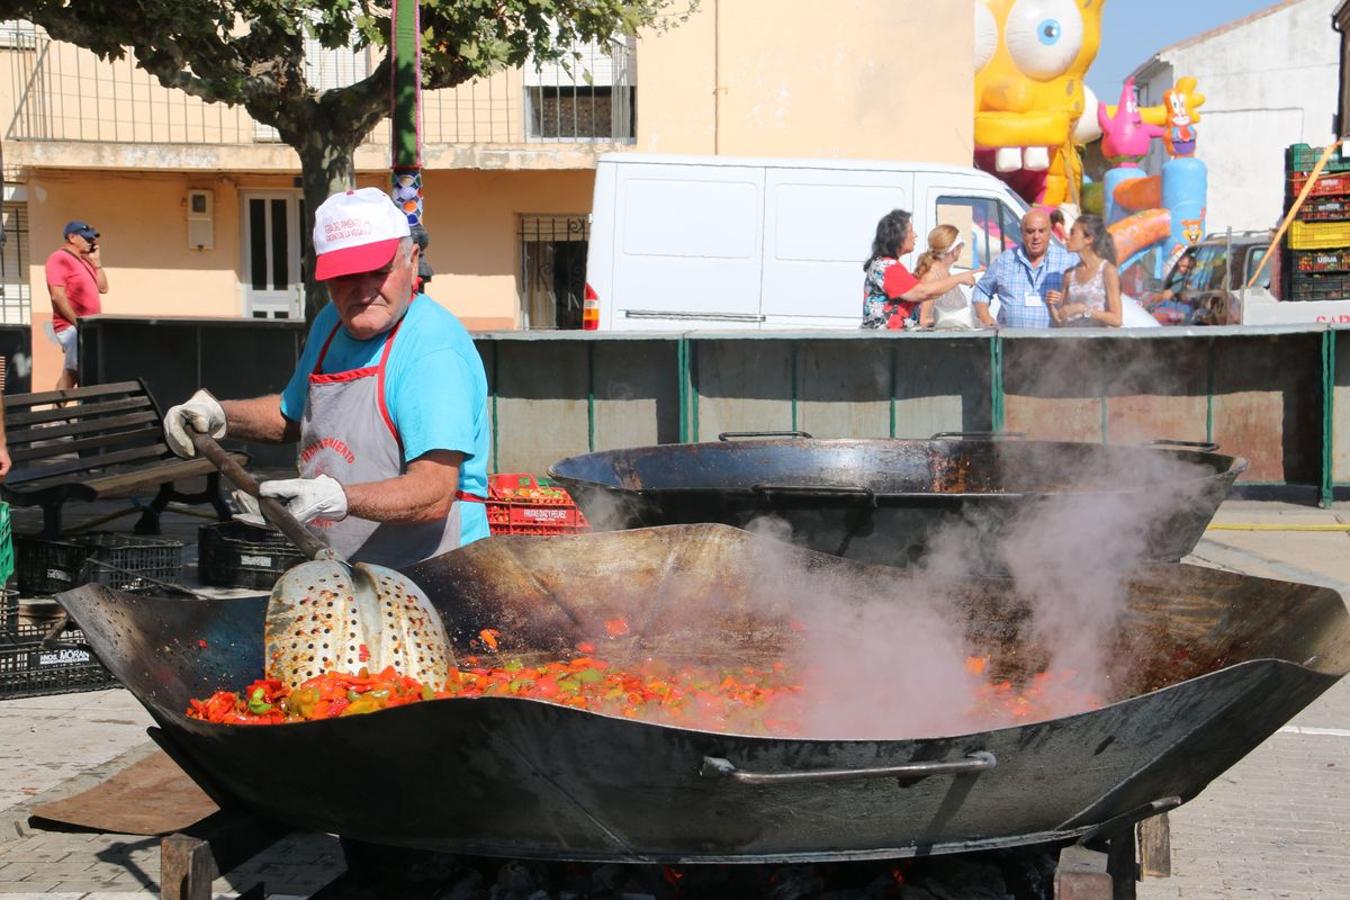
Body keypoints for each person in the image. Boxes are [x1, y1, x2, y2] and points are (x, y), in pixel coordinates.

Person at [163, 188, 490, 568]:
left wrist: (340, 498)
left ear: (412, 261)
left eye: (379, 271)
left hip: (435, 571)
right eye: (346, 276)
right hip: (339, 565)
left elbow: (433, 492)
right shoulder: (331, 325)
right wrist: (219, 414)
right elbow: (292, 414)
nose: (364, 290)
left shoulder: (432, 350)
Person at [861, 210, 980, 330]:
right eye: (910, 231)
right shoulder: (887, 267)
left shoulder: (888, 265)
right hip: (884, 343)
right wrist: (959, 278)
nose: (915, 235)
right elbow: (922, 293)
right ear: (898, 237)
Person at [971, 209, 1078, 329]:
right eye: (1030, 231)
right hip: (1011, 342)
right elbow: (982, 290)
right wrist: (986, 319)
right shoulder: (1005, 260)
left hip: (1054, 342)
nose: (1036, 237)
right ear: (1022, 232)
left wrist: (1065, 298)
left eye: (1041, 231)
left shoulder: (1069, 260)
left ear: (1049, 232)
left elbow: (1086, 295)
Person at [44, 220, 108, 390]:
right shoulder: (59, 258)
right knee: (73, 371)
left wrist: (96, 262)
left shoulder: (85, 261)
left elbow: (103, 288)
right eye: (87, 238)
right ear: (72, 237)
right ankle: (58, 415)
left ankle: (70, 415)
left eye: (92, 239)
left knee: (81, 372)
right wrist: (78, 324)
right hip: (71, 326)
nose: (91, 242)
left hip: (86, 327)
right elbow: (57, 296)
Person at [1047, 214, 1122, 328]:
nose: (1067, 237)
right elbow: (1060, 319)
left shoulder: (1107, 270)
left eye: (1073, 233)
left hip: (1099, 343)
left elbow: (1117, 319)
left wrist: (1083, 310)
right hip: (1073, 343)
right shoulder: (1069, 274)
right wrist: (1051, 305)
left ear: (1088, 239)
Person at [912, 225, 975, 330]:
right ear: (954, 250)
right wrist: (952, 320)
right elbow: (923, 320)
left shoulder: (945, 273)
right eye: (961, 246)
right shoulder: (931, 276)